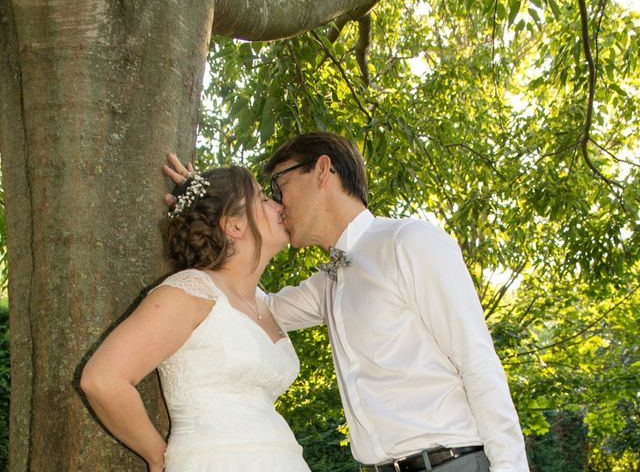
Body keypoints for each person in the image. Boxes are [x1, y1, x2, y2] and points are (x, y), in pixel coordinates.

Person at [164, 132, 530, 472]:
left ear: (323, 170)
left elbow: (478, 361)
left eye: (280, 184)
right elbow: (248, 308)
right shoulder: (329, 282)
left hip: (453, 464)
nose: (277, 201)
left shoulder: (409, 242)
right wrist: (207, 213)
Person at [81, 166, 311, 472]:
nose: (279, 205)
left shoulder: (265, 303)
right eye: (263, 198)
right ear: (234, 225)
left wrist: (203, 193)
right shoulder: (189, 291)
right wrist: (157, 455)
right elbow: (102, 380)